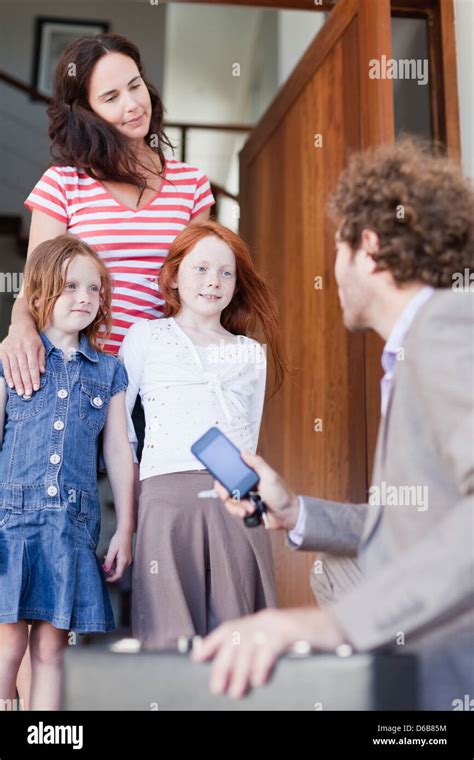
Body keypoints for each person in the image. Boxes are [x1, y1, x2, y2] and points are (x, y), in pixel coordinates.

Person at [191, 138, 474, 711]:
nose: (334, 269)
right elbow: (418, 520)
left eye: (337, 247)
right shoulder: (412, 349)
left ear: (368, 248)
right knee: (335, 565)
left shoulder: (447, 330)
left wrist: (328, 628)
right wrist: (296, 512)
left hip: (452, 655)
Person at [0, 30, 214, 705]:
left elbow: (202, 283)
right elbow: (37, 283)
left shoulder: (189, 184)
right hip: (76, 373)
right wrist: (15, 329)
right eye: (111, 95)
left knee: (166, 520)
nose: (132, 105)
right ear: (88, 109)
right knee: (44, 533)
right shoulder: (63, 183)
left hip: (162, 381)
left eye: (135, 86)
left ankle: (172, 674)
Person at [119, 220, 288, 648]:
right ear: (173, 276)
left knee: (241, 633)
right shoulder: (145, 337)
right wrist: (127, 518)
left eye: (226, 273)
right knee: (168, 632)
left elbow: (249, 439)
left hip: (237, 493)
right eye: (201, 269)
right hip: (164, 493)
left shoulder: (251, 353)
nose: (213, 282)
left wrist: (250, 501)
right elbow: (120, 432)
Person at [0, 234, 134, 710]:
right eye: (70, 286)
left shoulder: (110, 372)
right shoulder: (11, 360)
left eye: (95, 289)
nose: (84, 298)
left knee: (52, 650)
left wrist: (127, 529)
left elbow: (119, 453)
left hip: (70, 530)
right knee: (7, 647)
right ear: (38, 294)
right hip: (10, 527)